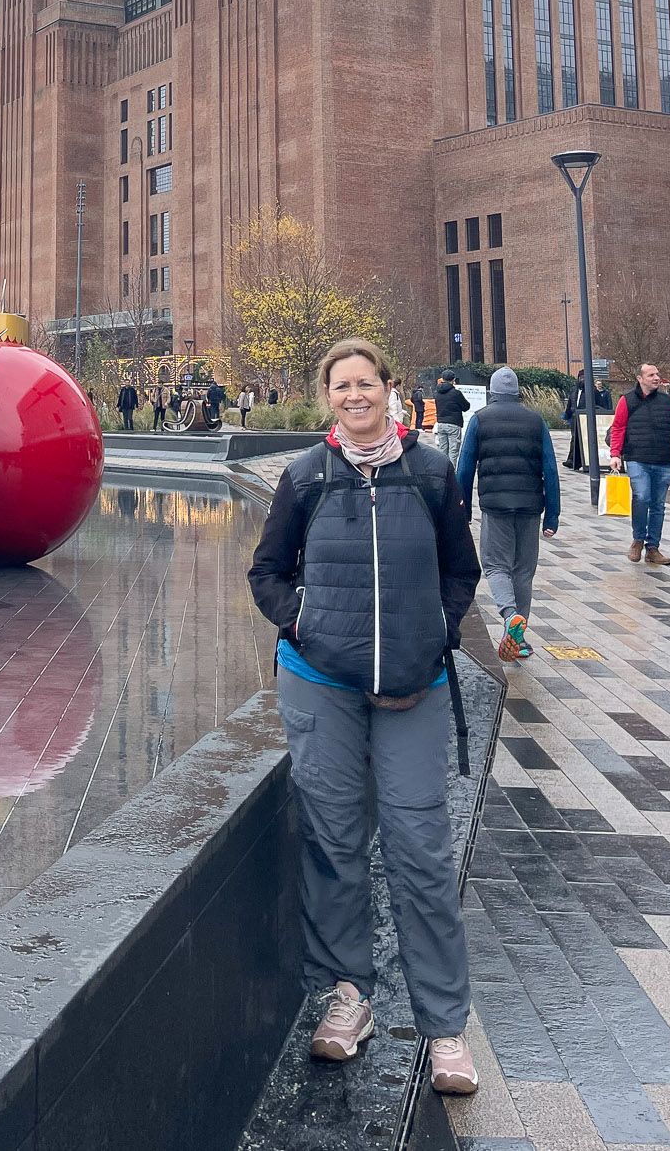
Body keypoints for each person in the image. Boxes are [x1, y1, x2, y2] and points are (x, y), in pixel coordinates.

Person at [248, 337, 482, 1096]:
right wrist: (301, 623)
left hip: (411, 688)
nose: (353, 396)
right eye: (339, 386)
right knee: (334, 841)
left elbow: (460, 570)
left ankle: (444, 1027)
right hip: (319, 682)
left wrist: (432, 638)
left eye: (364, 383)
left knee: (420, 848)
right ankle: (349, 998)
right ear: (328, 399)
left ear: (389, 388)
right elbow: (267, 571)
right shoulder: (305, 476)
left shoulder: (430, 473)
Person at [456, 365, 561, 661]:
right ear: (517, 393)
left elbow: (464, 468)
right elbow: (551, 470)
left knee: (495, 566)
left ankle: (509, 616)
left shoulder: (480, 420)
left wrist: (462, 510)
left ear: (492, 393)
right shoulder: (535, 421)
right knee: (524, 571)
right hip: (530, 507)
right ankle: (521, 638)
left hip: (496, 507)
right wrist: (552, 515)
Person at [609, 364, 670, 566]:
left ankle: (653, 548)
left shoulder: (668, 402)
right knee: (642, 497)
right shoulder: (627, 400)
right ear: (640, 378)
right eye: (651, 375)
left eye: (657, 374)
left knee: (658, 506)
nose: (657, 378)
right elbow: (618, 427)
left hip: (663, 460)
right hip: (637, 458)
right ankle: (638, 539)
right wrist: (615, 454)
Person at [432, 374, 469, 464]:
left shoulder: (437, 393)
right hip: (454, 423)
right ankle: (451, 474)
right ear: (453, 380)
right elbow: (466, 406)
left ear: (442, 379)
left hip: (441, 423)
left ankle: (441, 472)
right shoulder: (456, 393)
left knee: (442, 450)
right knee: (453, 451)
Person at [562, 374, 588, 471]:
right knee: (574, 439)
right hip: (574, 418)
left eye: (584, 378)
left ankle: (581, 460)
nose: (582, 380)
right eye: (581, 378)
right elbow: (570, 405)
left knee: (583, 440)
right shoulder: (574, 392)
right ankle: (571, 460)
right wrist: (566, 416)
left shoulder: (592, 391)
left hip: (585, 418)